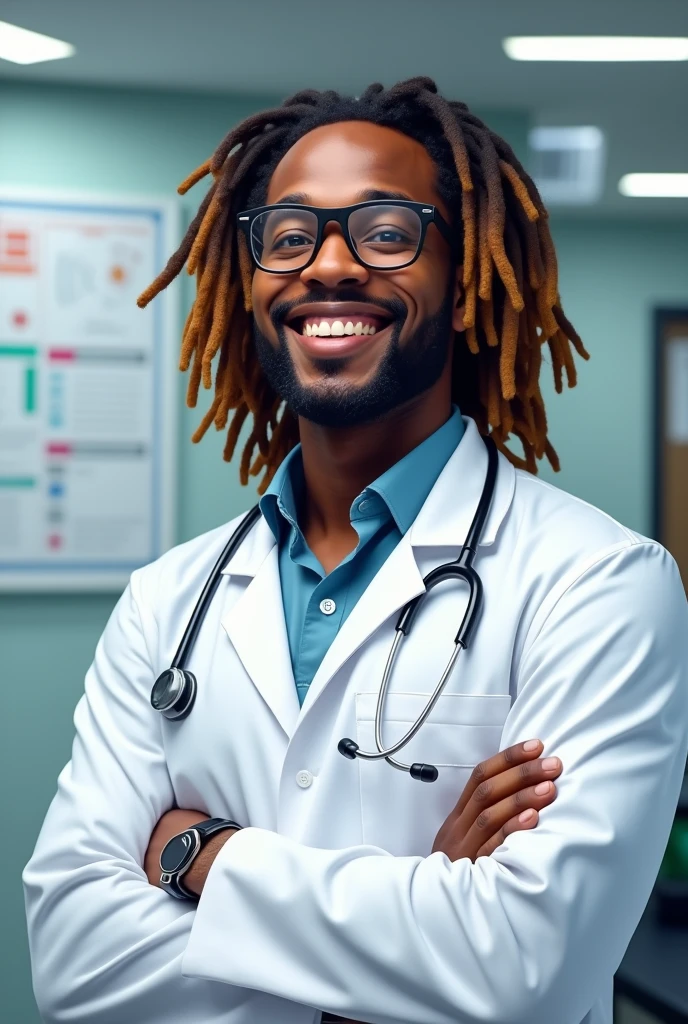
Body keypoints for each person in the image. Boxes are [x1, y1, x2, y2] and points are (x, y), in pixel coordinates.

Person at [23, 77, 688, 1024]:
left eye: (386, 232)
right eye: (289, 237)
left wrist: (201, 855)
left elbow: (522, 970)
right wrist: (420, 908)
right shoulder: (167, 602)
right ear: (251, 288)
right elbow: (74, 961)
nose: (328, 266)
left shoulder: (599, 584)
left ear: (462, 290)